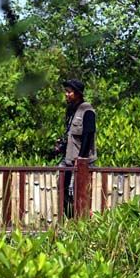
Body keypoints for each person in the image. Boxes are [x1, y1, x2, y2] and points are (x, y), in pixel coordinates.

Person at [58, 79, 97, 216]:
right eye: (66, 92)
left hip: (80, 161)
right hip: (68, 159)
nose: (66, 95)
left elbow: (89, 134)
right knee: (62, 190)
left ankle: (81, 221)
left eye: (69, 92)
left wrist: (81, 159)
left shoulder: (87, 110)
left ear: (78, 94)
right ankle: (69, 219)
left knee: (75, 192)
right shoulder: (71, 110)